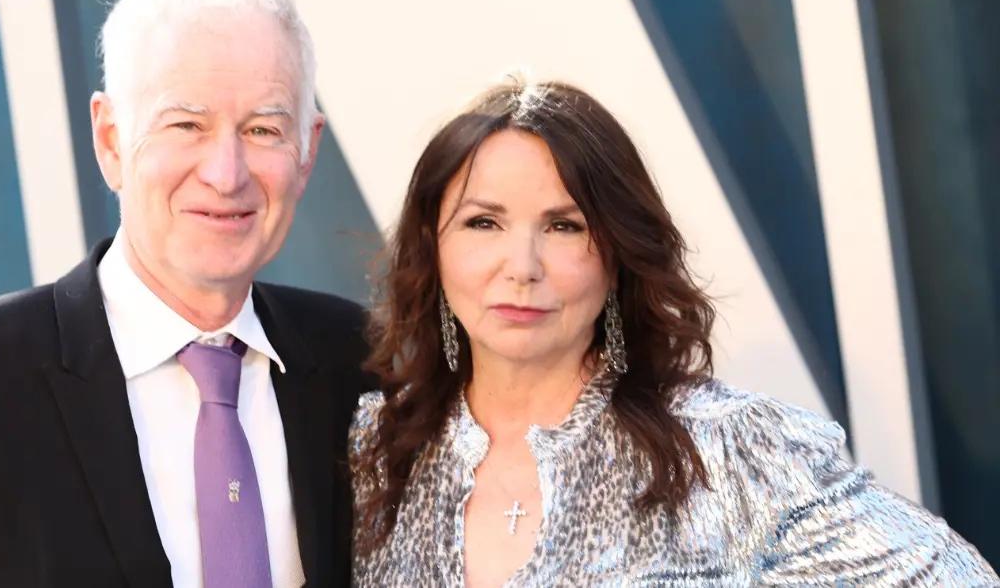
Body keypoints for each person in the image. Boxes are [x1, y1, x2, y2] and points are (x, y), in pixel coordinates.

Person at [0, 0, 374, 586]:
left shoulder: (359, 362)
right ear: (111, 138)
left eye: (262, 129)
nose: (226, 173)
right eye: (186, 125)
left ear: (307, 149)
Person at [350, 79, 998, 586]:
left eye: (565, 225)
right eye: (483, 223)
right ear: (432, 248)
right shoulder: (370, 456)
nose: (521, 268)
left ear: (619, 255)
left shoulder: (730, 454)